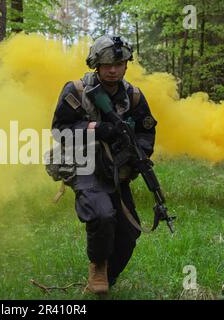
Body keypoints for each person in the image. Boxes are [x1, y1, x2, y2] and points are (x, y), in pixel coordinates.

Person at [50, 35, 158, 295]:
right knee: (102, 214)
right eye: (107, 64)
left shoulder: (133, 96)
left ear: (126, 65)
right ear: (96, 65)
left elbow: (146, 132)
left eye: (119, 64)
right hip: (83, 164)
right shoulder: (76, 91)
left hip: (115, 169)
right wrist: (96, 128)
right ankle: (98, 265)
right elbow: (60, 130)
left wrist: (136, 155)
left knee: (130, 233)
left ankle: (107, 277)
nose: (113, 70)